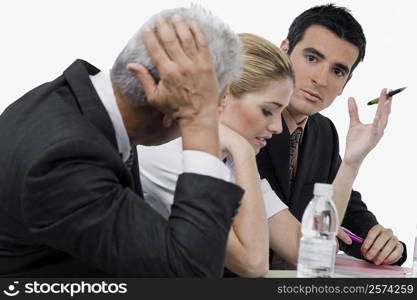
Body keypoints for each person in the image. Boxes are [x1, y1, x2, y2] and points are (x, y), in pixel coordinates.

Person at [0, 6, 245, 277]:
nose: (217, 115)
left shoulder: (67, 102)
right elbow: (190, 274)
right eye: (215, 103)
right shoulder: (66, 161)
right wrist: (199, 121)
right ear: (172, 109)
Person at [256, 4, 406, 267]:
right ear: (284, 52)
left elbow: (340, 209)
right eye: (312, 58)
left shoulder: (323, 131)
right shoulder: (246, 120)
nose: (321, 79)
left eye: (337, 71)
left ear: (345, 84)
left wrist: (379, 242)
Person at [138, 33, 294, 277]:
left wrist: (351, 162)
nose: (278, 128)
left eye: (281, 113)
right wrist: (243, 153)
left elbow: (299, 246)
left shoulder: (225, 154)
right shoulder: (168, 154)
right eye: (268, 111)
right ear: (223, 94)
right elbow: (252, 264)